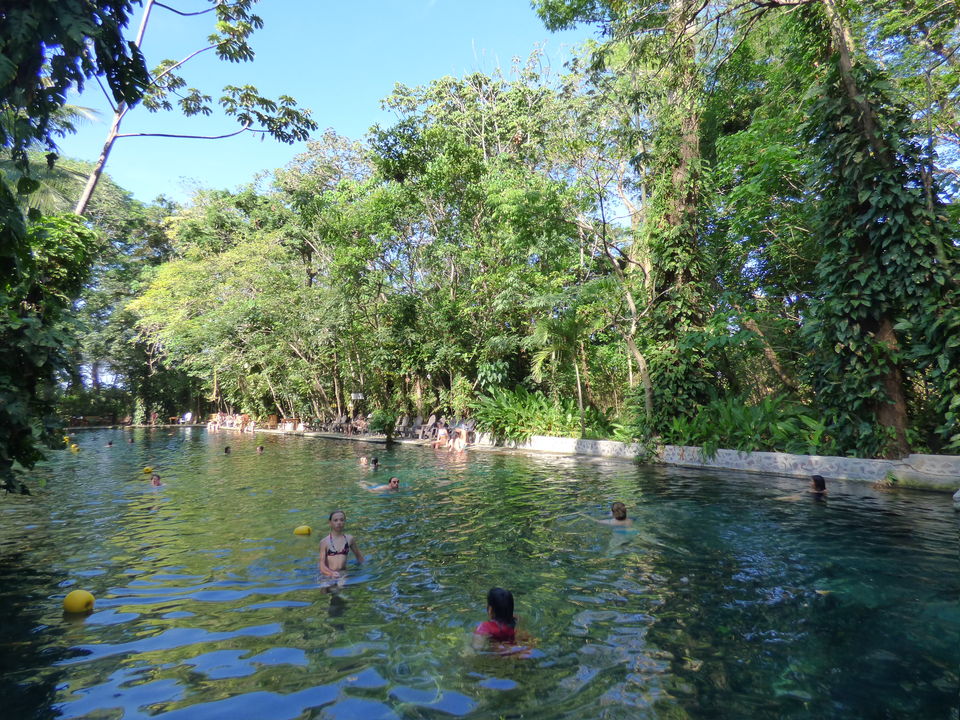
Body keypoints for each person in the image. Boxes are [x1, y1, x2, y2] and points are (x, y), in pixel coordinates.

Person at [318, 510, 364, 580]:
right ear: (330, 523)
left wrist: (364, 570)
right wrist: (331, 573)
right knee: (326, 589)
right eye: (335, 520)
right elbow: (322, 566)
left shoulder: (349, 539)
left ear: (344, 522)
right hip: (327, 574)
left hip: (343, 573)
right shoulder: (324, 542)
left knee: (340, 586)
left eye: (341, 520)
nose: (339, 522)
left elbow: (359, 557)